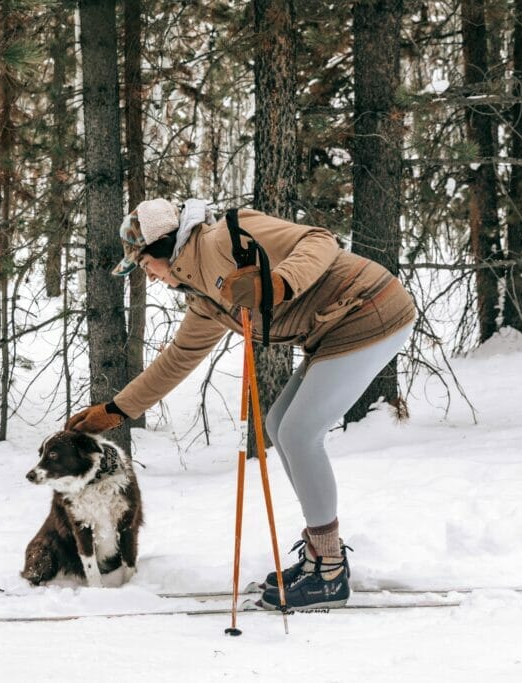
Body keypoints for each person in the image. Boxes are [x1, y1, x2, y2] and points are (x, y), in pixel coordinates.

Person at [65, 197, 416, 609]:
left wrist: (280, 282)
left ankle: (330, 570)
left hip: (370, 309)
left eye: (145, 265)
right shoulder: (204, 298)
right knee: (281, 426)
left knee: (300, 433)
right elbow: (179, 357)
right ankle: (322, 555)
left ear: (163, 248)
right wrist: (117, 409)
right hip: (333, 330)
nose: (151, 277)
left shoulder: (224, 238)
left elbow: (320, 242)